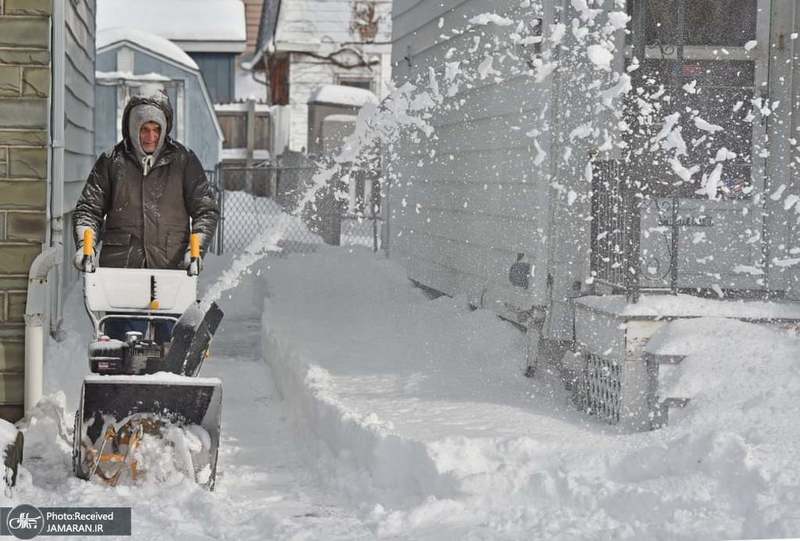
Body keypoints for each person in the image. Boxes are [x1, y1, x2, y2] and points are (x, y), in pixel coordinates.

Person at [72, 90, 219, 340]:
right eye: (144, 129)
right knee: (122, 349)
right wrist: (86, 247)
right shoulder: (111, 162)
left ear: (164, 129)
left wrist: (195, 251)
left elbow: (205, 210)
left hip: (171, 270)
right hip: (123, 271)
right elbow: (89, 209)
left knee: (171, 349)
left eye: (156, 129)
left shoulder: (183, 161)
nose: (150, 137)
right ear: (131, 128)